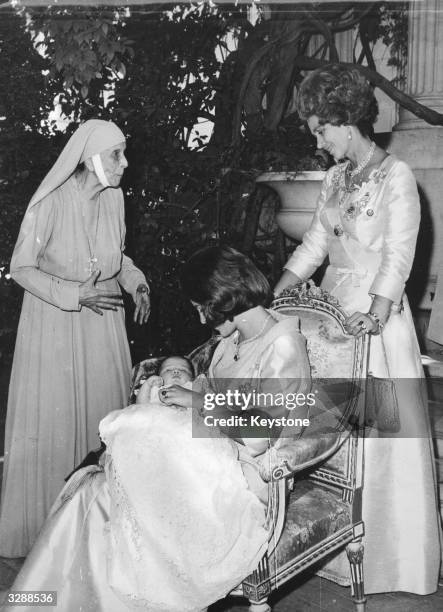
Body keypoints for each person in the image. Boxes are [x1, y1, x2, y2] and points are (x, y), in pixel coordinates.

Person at [6, 246, 312, 612]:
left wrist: (194, 401)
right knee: (96, 491)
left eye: (202, 307)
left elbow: (260, 437)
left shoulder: (283, 346)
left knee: (109, 501)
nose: (201, 320)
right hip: (205, 459)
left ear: (224, 298)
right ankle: (45, 602)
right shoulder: (232, 338)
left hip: (244, 481)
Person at [274, 64, 441, 595]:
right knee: (330, 430)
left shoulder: (397, 178)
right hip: (330, 314)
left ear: (348, 122)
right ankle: (331, 542)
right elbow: (314, 247)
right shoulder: (335, 178)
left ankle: (390, 558)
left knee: (378, 435)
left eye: (322, 128)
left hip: (376, 318)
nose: (318, 140)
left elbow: (399, 255)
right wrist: (278, 292)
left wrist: (377, 309)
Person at [0, 119, 150, 558]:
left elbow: (116, 258)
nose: (125, 163)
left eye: (124, 153)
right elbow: (21, 268)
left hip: (103, 325)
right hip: (55, 324)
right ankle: (45, 537)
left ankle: (98, 532)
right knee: (55, 423)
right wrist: (72, 294)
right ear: (89, 158)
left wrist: (136, 282)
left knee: (103, 420)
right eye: (116, 154)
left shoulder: (115, 198)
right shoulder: (49, 203)